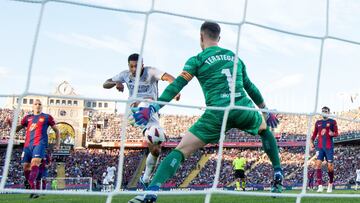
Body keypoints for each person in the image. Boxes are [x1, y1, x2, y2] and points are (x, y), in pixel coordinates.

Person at [128, 21, 283, 203]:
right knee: (264, 130)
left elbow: (177, 84)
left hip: (217, 113)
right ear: (219, 38)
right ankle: (278, 171)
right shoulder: (234, 57)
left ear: (201, 37)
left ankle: (151, 191)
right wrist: (265, 110)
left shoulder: (197, 59)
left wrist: (154, 106)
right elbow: (250, 86)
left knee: (181, 151)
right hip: (243, 108)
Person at [103, 53, 180, 188]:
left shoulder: (151, 72)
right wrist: (117, 82)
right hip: (135, 111)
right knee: (145, 104)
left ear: (142, 65)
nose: (134, 69)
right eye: (131, 66)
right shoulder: (125, 75)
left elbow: (169, 77)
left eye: (136, 66)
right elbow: (105, 84)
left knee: (156, 148)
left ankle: (145, 178)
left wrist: (176, 89)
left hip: (152, 113)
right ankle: (145, 112)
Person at [16, 99, 60, 198]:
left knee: (34, 163)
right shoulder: (27, 118)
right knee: (26, 167)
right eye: (35, 104)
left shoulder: (47, 117)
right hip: (27, 146)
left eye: (39, 104)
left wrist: (57, 144)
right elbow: (18, 129)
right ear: (33, 106)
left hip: (40, 144)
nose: (37, 105)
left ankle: (32, 185)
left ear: (42, 106)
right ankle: (32, 190)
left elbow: (57, 130)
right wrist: (12, 126)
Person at [310, 106, 338, 193]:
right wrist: (311, 142)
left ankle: (330, 184)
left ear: (328, 112)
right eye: (322, 111)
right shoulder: (318, 122)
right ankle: (320, 186)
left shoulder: (332, 122)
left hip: (329, 147)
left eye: (325, 111)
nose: (324, 112)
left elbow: (337, 133)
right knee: (318, 164)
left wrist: (332, 133)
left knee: (330, 166)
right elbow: (314, 134)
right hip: (320, 147)